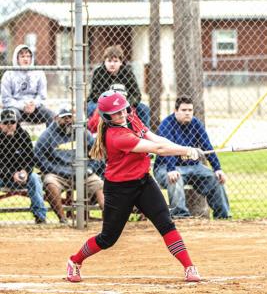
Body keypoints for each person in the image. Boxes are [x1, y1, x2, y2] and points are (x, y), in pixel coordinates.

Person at [66, 90, 204, 283]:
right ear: (106, 117)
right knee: (108, 238)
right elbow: (156, 149)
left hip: (143, 181)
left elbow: (156, 139)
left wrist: (184, 150)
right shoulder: (116, 136)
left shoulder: (131, 117)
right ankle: (75, 261)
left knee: (166, 223)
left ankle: (189, 267)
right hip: (119, 189)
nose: (122, 114)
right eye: (116, 113)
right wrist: (186, 150)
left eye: (124, 109)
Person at [154, 97, 231, 219]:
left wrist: (217, 168)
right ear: (176, 110)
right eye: (184, 110)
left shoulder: (196, 124)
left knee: (214, 178)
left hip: (193, 166)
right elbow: (167, 149)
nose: (187, 113)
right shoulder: (166, 125)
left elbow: (207, 146)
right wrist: (171, 169)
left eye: (190, 110)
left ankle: (223, 217)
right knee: (175, 178)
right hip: (166, 167)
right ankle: (181, 217)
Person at [35, 107, 104, 224]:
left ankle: (110, 219)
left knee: (99, 184)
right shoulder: (48, 135)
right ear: (56, 118)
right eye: (63, 118)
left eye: (69, 117)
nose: (67, 120)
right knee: (50, 183)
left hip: (82, 172)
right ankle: (63, 219)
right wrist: (55, 170)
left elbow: (96, 153)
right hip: (58, 174)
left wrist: (90, 168)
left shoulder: (82, 132)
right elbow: (38, 157)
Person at [0, 109, 47, 224]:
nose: (10, 125)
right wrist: (11, 174)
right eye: (6, 123)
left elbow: (30, 159)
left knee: (35, 178)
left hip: (22, 175)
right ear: (0, 124)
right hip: (2, 176)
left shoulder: (23, 135)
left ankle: (40, 216)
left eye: (12, 122)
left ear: (17, 123)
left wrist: (25, 171)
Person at [87, 45, 151, 128]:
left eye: (115, 61)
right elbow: (95, 94)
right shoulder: (99, 72)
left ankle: (144, 133)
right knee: (90, 107)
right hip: (102, 103)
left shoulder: (127, 73)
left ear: (121, 62)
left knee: (144, 108)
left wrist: (125, 104)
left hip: (124, 103)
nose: (112, 64)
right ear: (104, 61)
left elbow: (136, 94)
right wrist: (111, 103)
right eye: (109, 61)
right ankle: (95, 133)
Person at [1, 44, 54, 126]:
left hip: (34, 108)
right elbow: (6, 99)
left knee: (51, 116)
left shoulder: (38, 73)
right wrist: (22, 106)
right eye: (22, 56)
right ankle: (19, 138)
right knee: (12, 116)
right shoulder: (8, 74)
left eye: (28, 56)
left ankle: (48, 138)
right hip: (16, 108)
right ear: (17, 59)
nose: (26, 59)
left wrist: (34, 104)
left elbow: (42, 96)